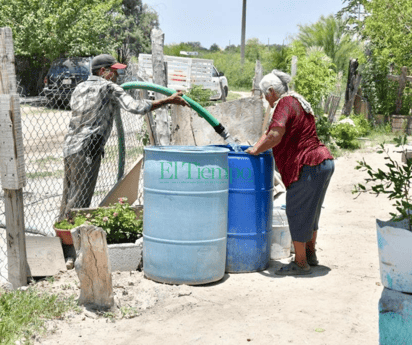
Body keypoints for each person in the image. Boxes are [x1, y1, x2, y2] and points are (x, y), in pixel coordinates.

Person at [58, 54, 188, 221]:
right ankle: (73, 240)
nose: (117, 76)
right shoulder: (109, 88)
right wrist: (168, 100)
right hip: (87, 150)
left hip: (70, 147)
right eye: (114, 71)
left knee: (67, 197)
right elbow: (135, 107)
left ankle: (61, 234)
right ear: (103, 71)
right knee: (79, 203)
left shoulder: (80, 87)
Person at [245, 70, 334, 276]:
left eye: (265, 94)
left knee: (297, 211)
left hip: (308, 164)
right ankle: (310, 255)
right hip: (323, 162)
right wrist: (257, 145)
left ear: (271, 91)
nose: (266, 99)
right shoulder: (297, 101)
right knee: (311, 211)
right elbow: (272, 134)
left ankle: (300, 263)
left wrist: (255, 151)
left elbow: (275, 134)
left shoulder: (284, 104)